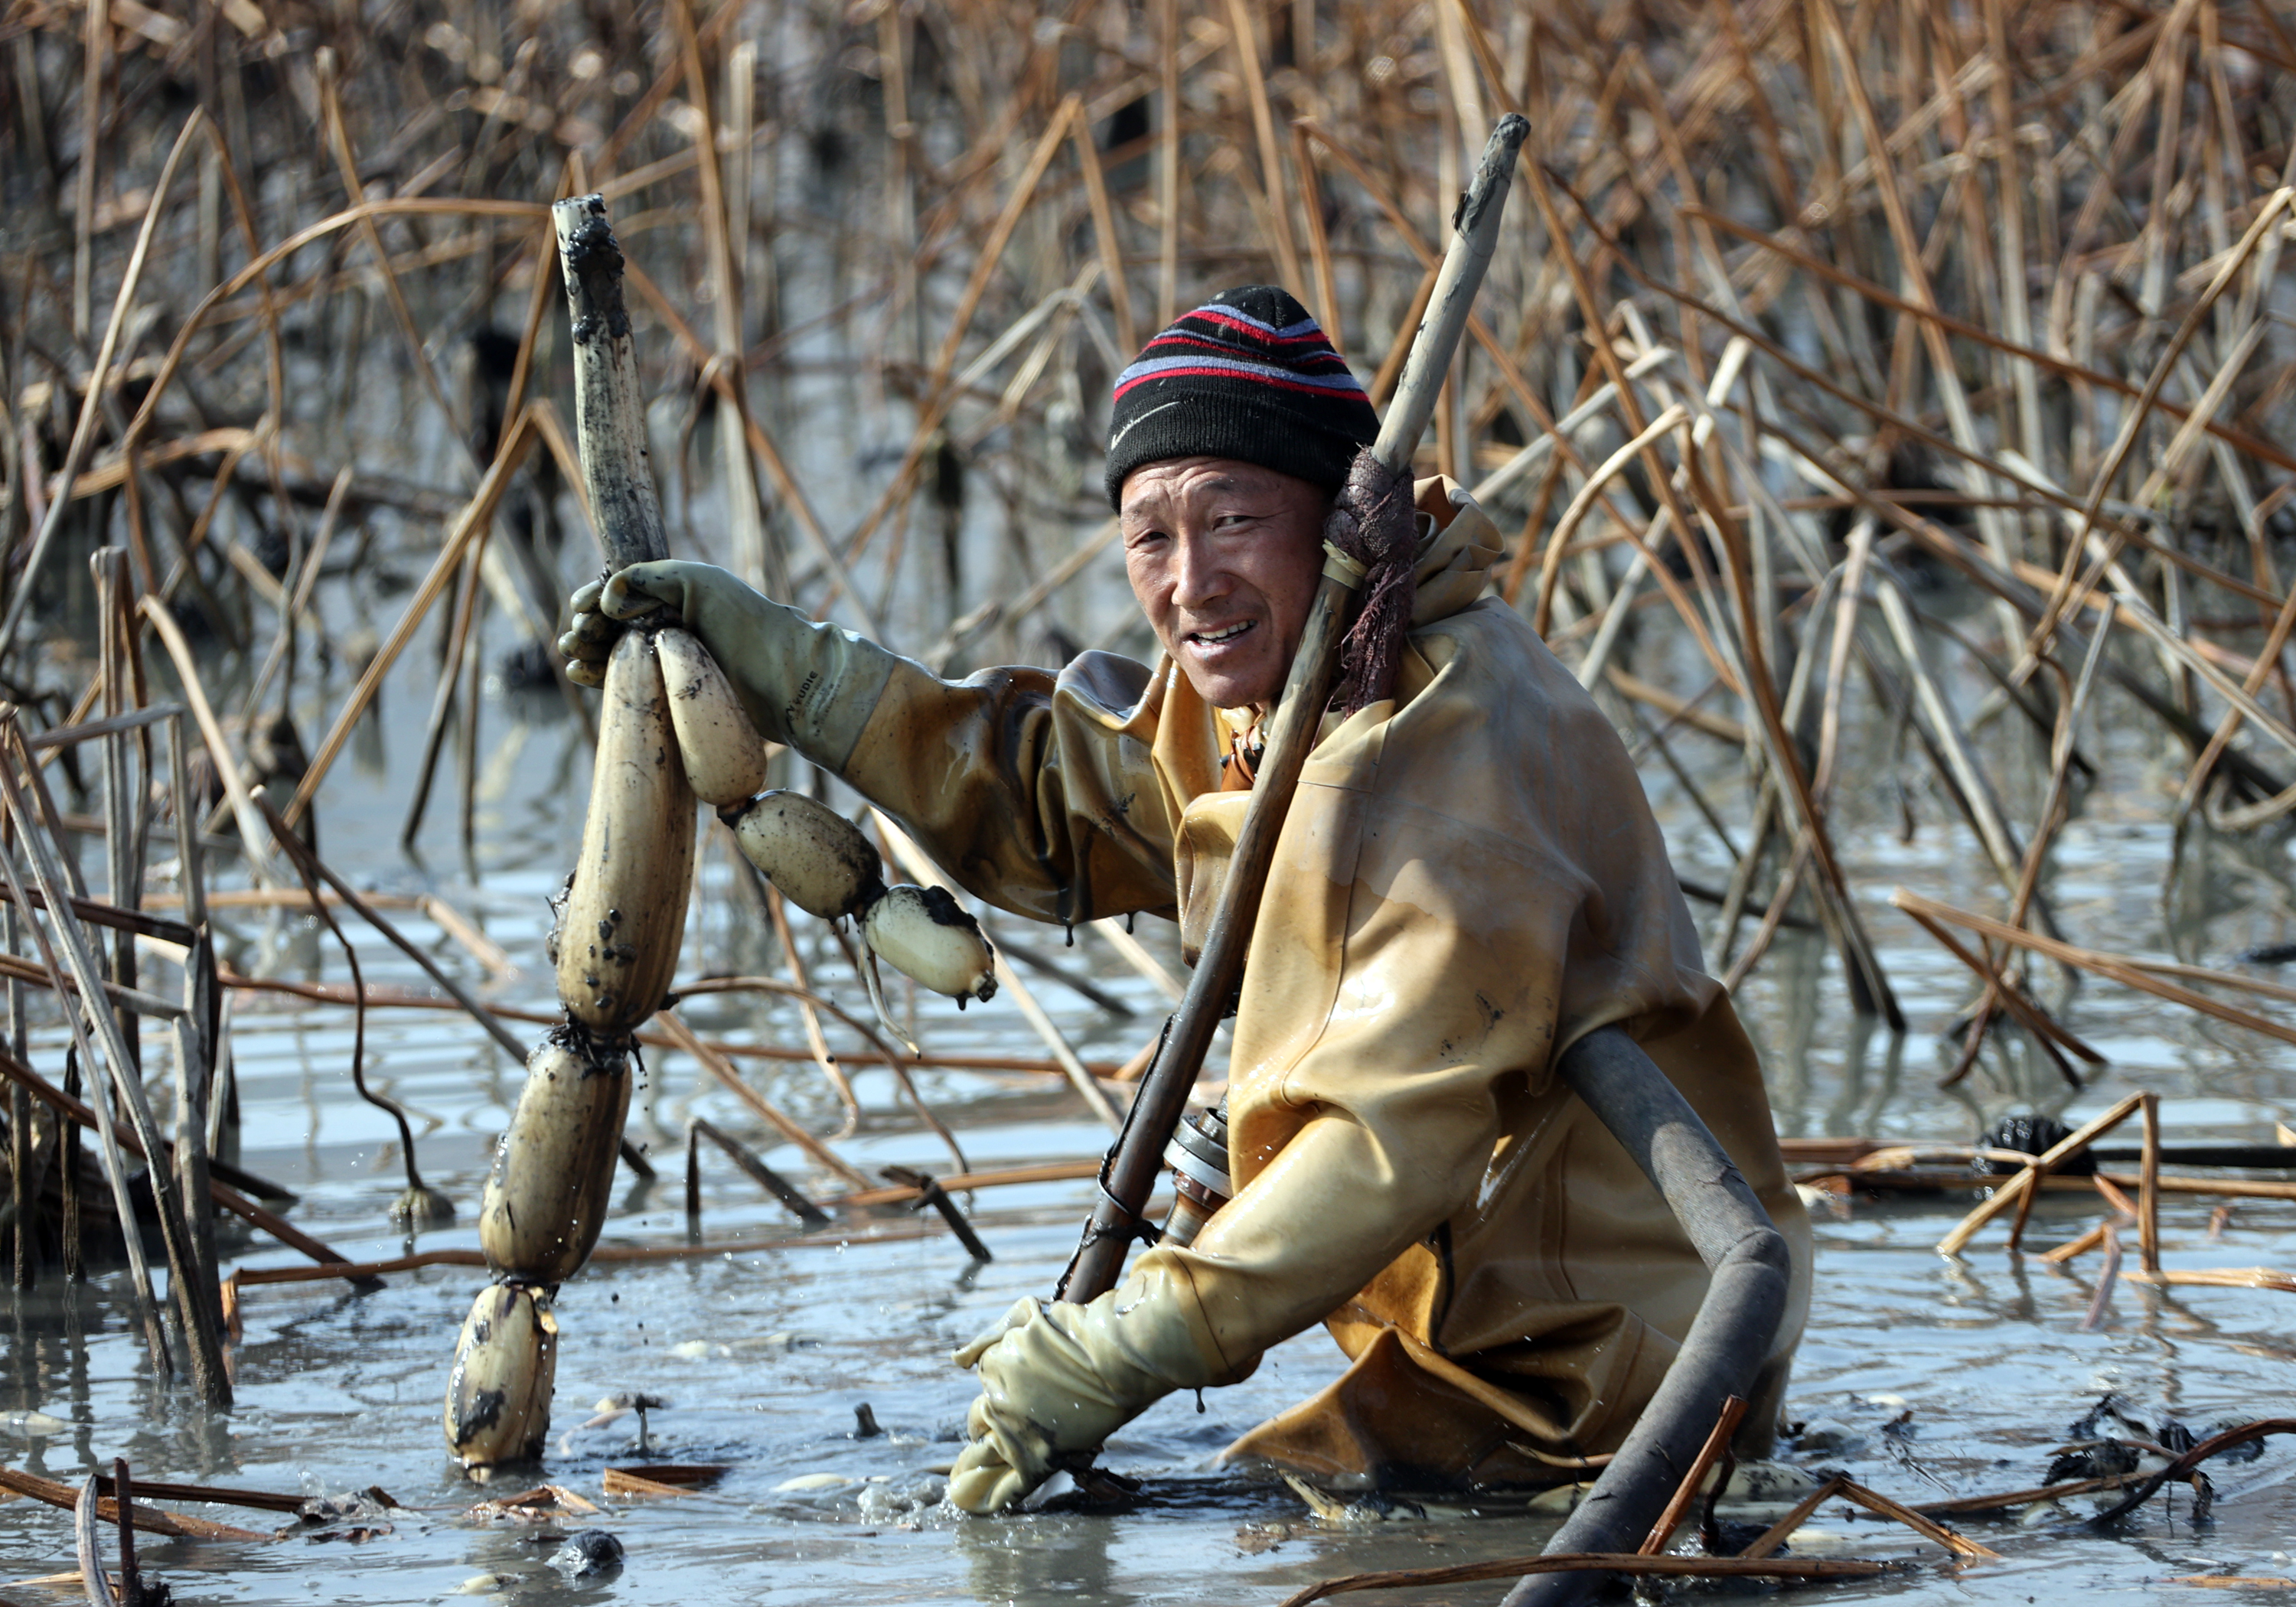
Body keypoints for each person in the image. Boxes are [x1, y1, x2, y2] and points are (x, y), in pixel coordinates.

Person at [560, 285, 1811, 1514]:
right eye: (1153, 536)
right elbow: (1054, 794)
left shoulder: (1446, 739)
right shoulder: (1286, 682)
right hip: (1472, 1358)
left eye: (1234, 520)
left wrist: (1126, 1346)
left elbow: (1394, 1139)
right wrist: (784, 670)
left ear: (1333, 518)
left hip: (1612, 1382)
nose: (1192, 582)